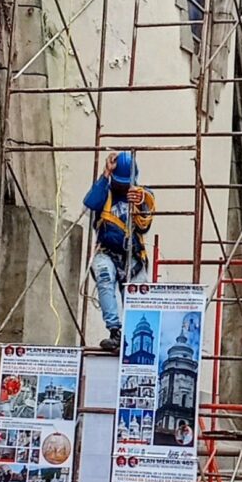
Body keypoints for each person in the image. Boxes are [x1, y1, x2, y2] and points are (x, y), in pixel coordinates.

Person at [84, 151, 156, 352]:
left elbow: (145, 223)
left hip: (133, 257)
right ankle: (115, 330)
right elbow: (90, 202)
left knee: (139, 295)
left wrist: (140, 200)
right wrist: (106, 173)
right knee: (104, 278)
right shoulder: (105, 193)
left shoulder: (141, 195)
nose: (123, 187)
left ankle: (132, 334)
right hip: (107, 252)